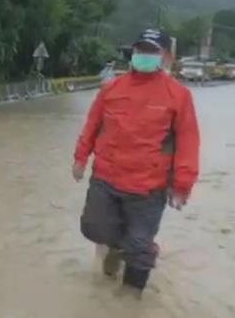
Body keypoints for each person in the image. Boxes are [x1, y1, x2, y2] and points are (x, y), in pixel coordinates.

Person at [72, 28, 200, 294]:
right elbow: (92, 126)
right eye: (141, 50)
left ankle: (130, 308)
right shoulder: (112, 89)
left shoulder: (178, 95)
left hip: (148, 187)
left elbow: (188, 141)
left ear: (166, 56)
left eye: (152, 51)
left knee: (139, 248)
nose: (144, 55)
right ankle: (118, 247)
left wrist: (182, 185)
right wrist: (80, 158)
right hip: (106, 178)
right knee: (93, 227)